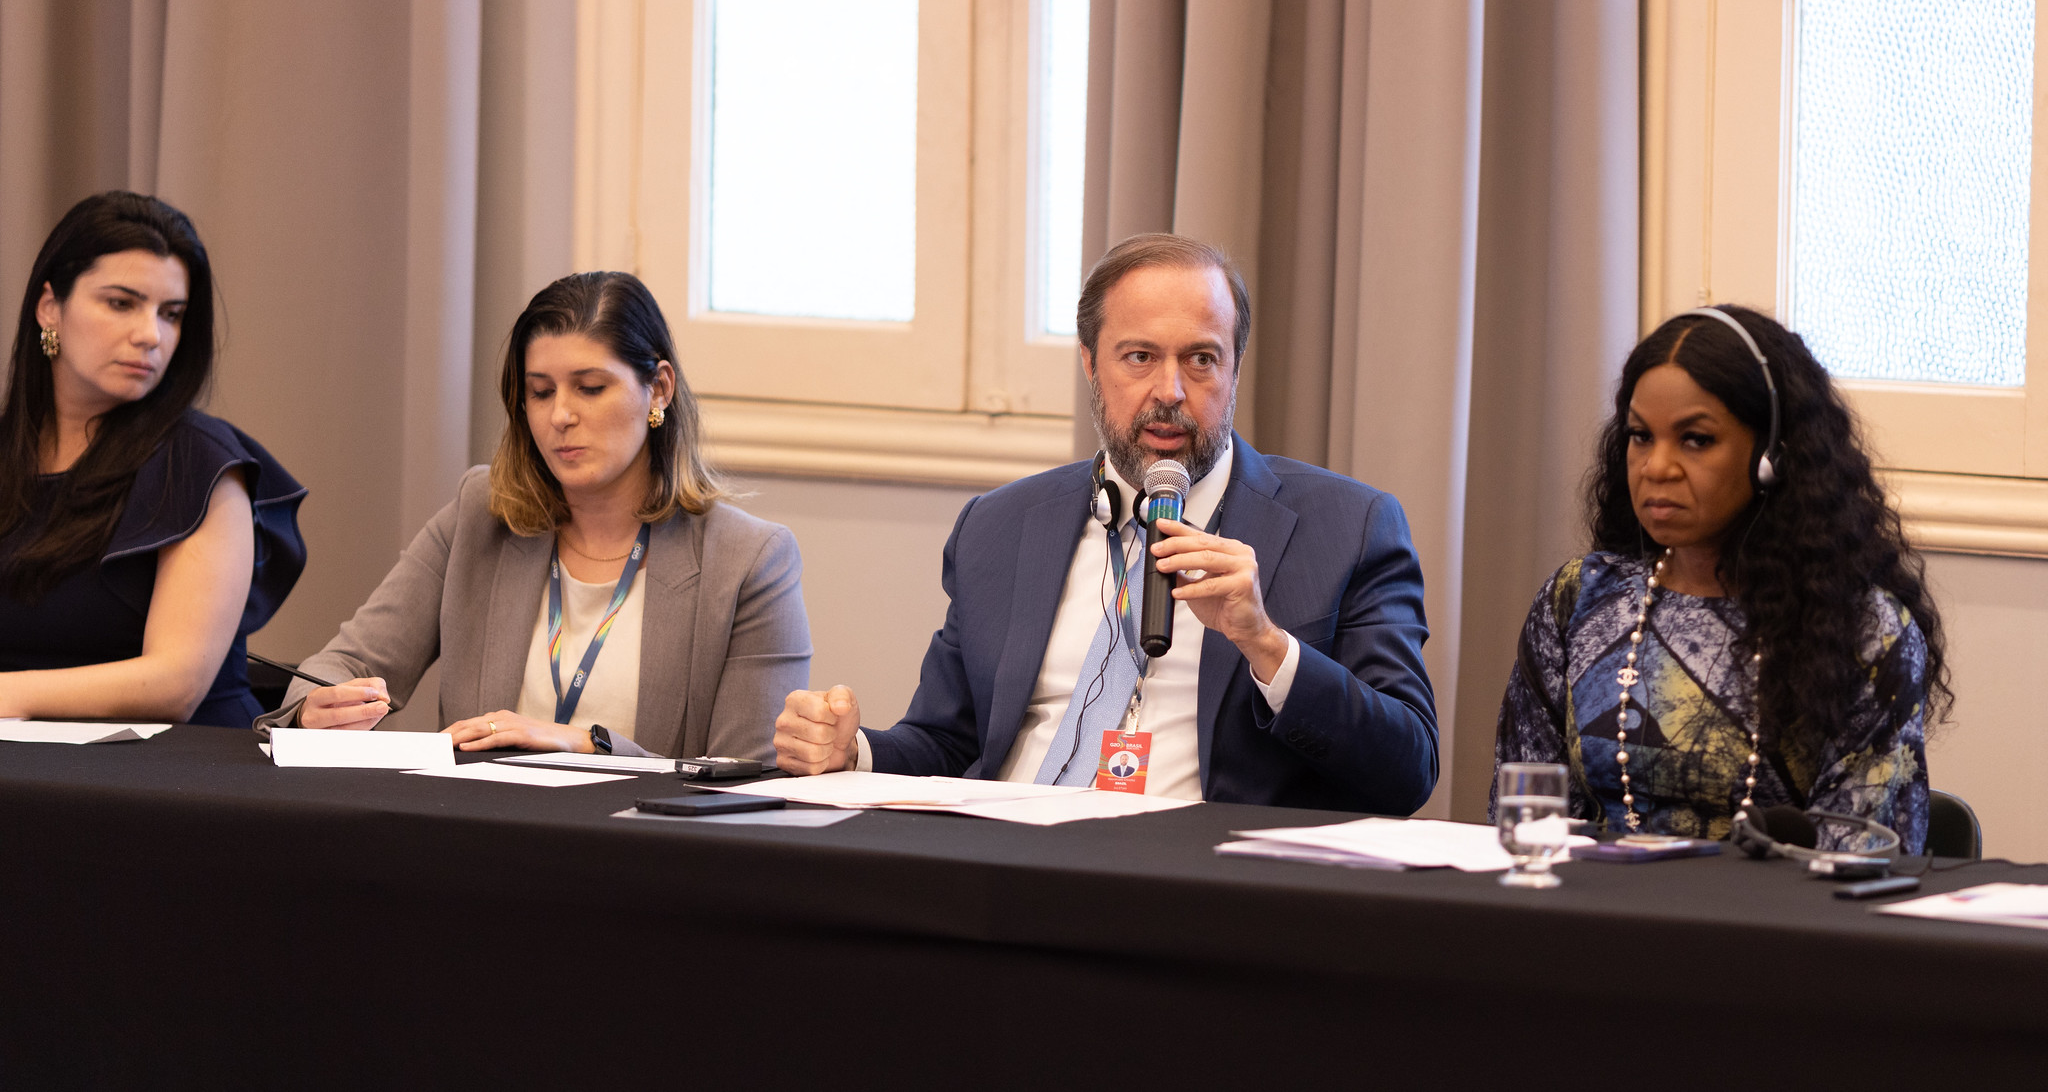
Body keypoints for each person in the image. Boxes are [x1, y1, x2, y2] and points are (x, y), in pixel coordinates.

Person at [775, 233, 1437, 812]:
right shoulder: (1000, 525)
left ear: (1235, 370)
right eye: (1140, 356)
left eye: (1201, 359)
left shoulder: (1348, 527)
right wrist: (852, 751)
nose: (1171, 391)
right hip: (1005, 871)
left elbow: (1408, 769)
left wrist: (1265, 643)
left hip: (1197, 894)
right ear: (1091, 363)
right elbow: (951, 744)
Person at [257, 272, 810, 759]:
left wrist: (589, 744)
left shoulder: (748, 561)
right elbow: (341, 665)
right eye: (540, 393)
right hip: (481, 845)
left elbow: (749, 781)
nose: (561, 416)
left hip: (646, 863)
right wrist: (315, 709)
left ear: (657, 389)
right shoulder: (480, 514)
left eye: (590, 388)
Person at [1491, 305, 1948, 852]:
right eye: (1641, 436)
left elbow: (1866, 854)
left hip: (1773, 929)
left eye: (1695, 439)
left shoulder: (1861, 628)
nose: (1656, 467)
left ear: (1771, 456)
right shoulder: (1579, 599)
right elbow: (1521, 816)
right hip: (1591, 920)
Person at [0, 192, 306, 727]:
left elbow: (173, 685)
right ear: (50, 306)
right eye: (121, 303)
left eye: (171, 314)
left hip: (173, 782)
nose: (150, 335)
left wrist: (13, 695)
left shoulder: (203, 462)